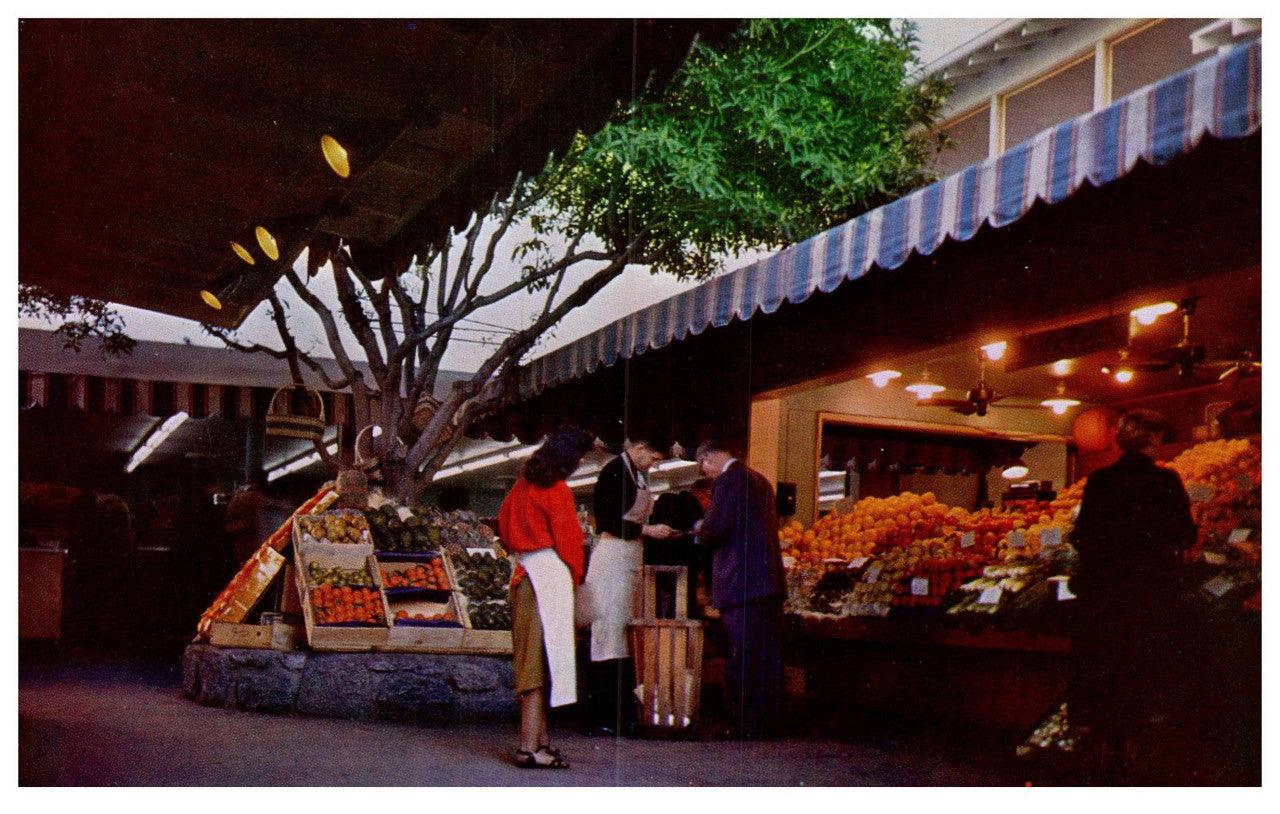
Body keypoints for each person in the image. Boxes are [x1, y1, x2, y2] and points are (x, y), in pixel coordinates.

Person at [1069, 409, 1197, 783]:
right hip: (1150, 592)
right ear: (1152, 439)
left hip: (1104, 595)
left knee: (1106, 667)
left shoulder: (1099, 482)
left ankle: (1106, 745)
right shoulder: (1165, 481)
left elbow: (1082, 536)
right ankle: (1138, 753)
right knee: (1144, 669)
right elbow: (1184, 534)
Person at [497, 427, 595, 769]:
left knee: (532, 659)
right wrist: (577, 579)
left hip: (523, 575)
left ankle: (540, 741)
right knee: (544, 663)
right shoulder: (559, 491)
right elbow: (570, 543)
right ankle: (529, 747)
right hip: (550, 576)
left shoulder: (522, 484)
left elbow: (503, 524)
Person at [582, 436, 676, 736]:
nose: (655, 463)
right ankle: (603, 715)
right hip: (612, 558)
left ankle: (621, 713)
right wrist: (647, 529)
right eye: (653, 457)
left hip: (630, 556)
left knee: (621, 633)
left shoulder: (637, 474)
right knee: (607, 633)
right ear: (638, 449)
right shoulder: (613, 472)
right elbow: (608, 520)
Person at [695, 440, 786, 739]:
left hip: (740, 582)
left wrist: (698, 529)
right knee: (765, 656)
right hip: (767, 580)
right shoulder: (760, 480)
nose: (704, 472)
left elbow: (716, 528)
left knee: (741, 654)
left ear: (711, 457)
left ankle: (743, 722)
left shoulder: (727, 481)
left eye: (703, 464)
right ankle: (767, 721)